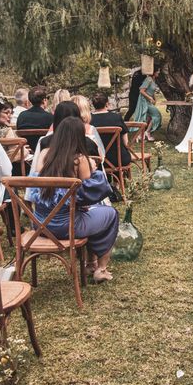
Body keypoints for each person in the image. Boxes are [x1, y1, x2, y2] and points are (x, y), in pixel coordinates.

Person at [28, 116, 118, 283]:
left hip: (40, 224)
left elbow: (38, 187)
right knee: (110, 214)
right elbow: (88, 196)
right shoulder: (79, 160)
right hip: (66, 227)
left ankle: (90, 263)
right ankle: (101, 268)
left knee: (89, 214)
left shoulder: (45, 154)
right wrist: (92, 168)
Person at [0, 97, 30, 166]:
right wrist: (25, 151)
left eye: (11, 113)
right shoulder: (7, 131)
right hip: (4, 168)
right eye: (6, 112)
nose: (10, 116)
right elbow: (14, 154)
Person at [90, 93, 132, 167]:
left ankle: (106, 178)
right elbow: (126, 142)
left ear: (93, 105)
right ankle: (119, 178)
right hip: (119, 159)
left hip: (98, 161)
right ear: (107, 104)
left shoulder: (89, 120)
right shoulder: (116, 117)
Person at [16, 86, 53, 150]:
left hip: (26, 151)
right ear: (44, 100)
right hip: (44, 151)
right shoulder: (50, 117)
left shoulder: (22, 116)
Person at [132, 66, 162, 141]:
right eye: (158, 71)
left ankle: (141, 135)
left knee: (148, 118)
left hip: (148, 101)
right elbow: (141, 91)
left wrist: (154, 98)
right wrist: (150, 98)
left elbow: (151, 90)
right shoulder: (148, 79)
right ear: (154, 72)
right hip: (144, 102)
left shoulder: (152, 79)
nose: (159, 72)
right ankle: (147, 132)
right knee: (157, 115)